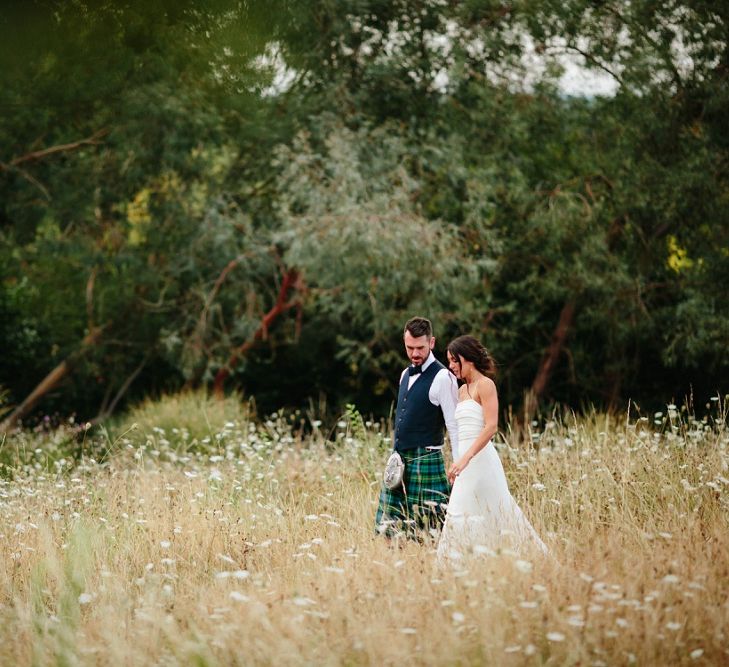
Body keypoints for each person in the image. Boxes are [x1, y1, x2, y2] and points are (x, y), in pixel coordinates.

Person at [437, 335, 547, 562]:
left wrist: (466, 458)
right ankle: (460, 563)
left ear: (466, 358)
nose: (451, 366)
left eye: (453, 360)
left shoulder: (485, 385)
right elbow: (460, 432)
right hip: (464, 463)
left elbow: (491, 427)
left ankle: (512, 558)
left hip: (481, 461)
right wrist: (457, 460)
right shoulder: (461, 391)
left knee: (493, 510)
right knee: (459, 512)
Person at [375, 317, 459, 540]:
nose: (414, 353)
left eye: (420, 347)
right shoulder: (404, 374)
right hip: (399, 462)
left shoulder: (444, 377)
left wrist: (459, 465)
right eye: (409, 347)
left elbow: (454, 425)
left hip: (426, 461)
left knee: (429, 531)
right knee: (388, 530)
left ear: (432, 342)